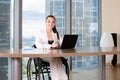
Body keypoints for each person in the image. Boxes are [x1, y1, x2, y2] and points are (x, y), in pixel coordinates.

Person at [35, 15, 68, 80]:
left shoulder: (55, 33)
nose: (51, 23)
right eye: (49, 21)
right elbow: (37, 44)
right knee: (56, 59)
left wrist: (59, 44)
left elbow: (61, 42)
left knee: (58, 59)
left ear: (54, 23)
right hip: (44, 55)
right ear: (45, 22)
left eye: (53, 22)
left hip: (54, 55)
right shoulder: (40, 33)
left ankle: (62, 78)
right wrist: (50, 46)